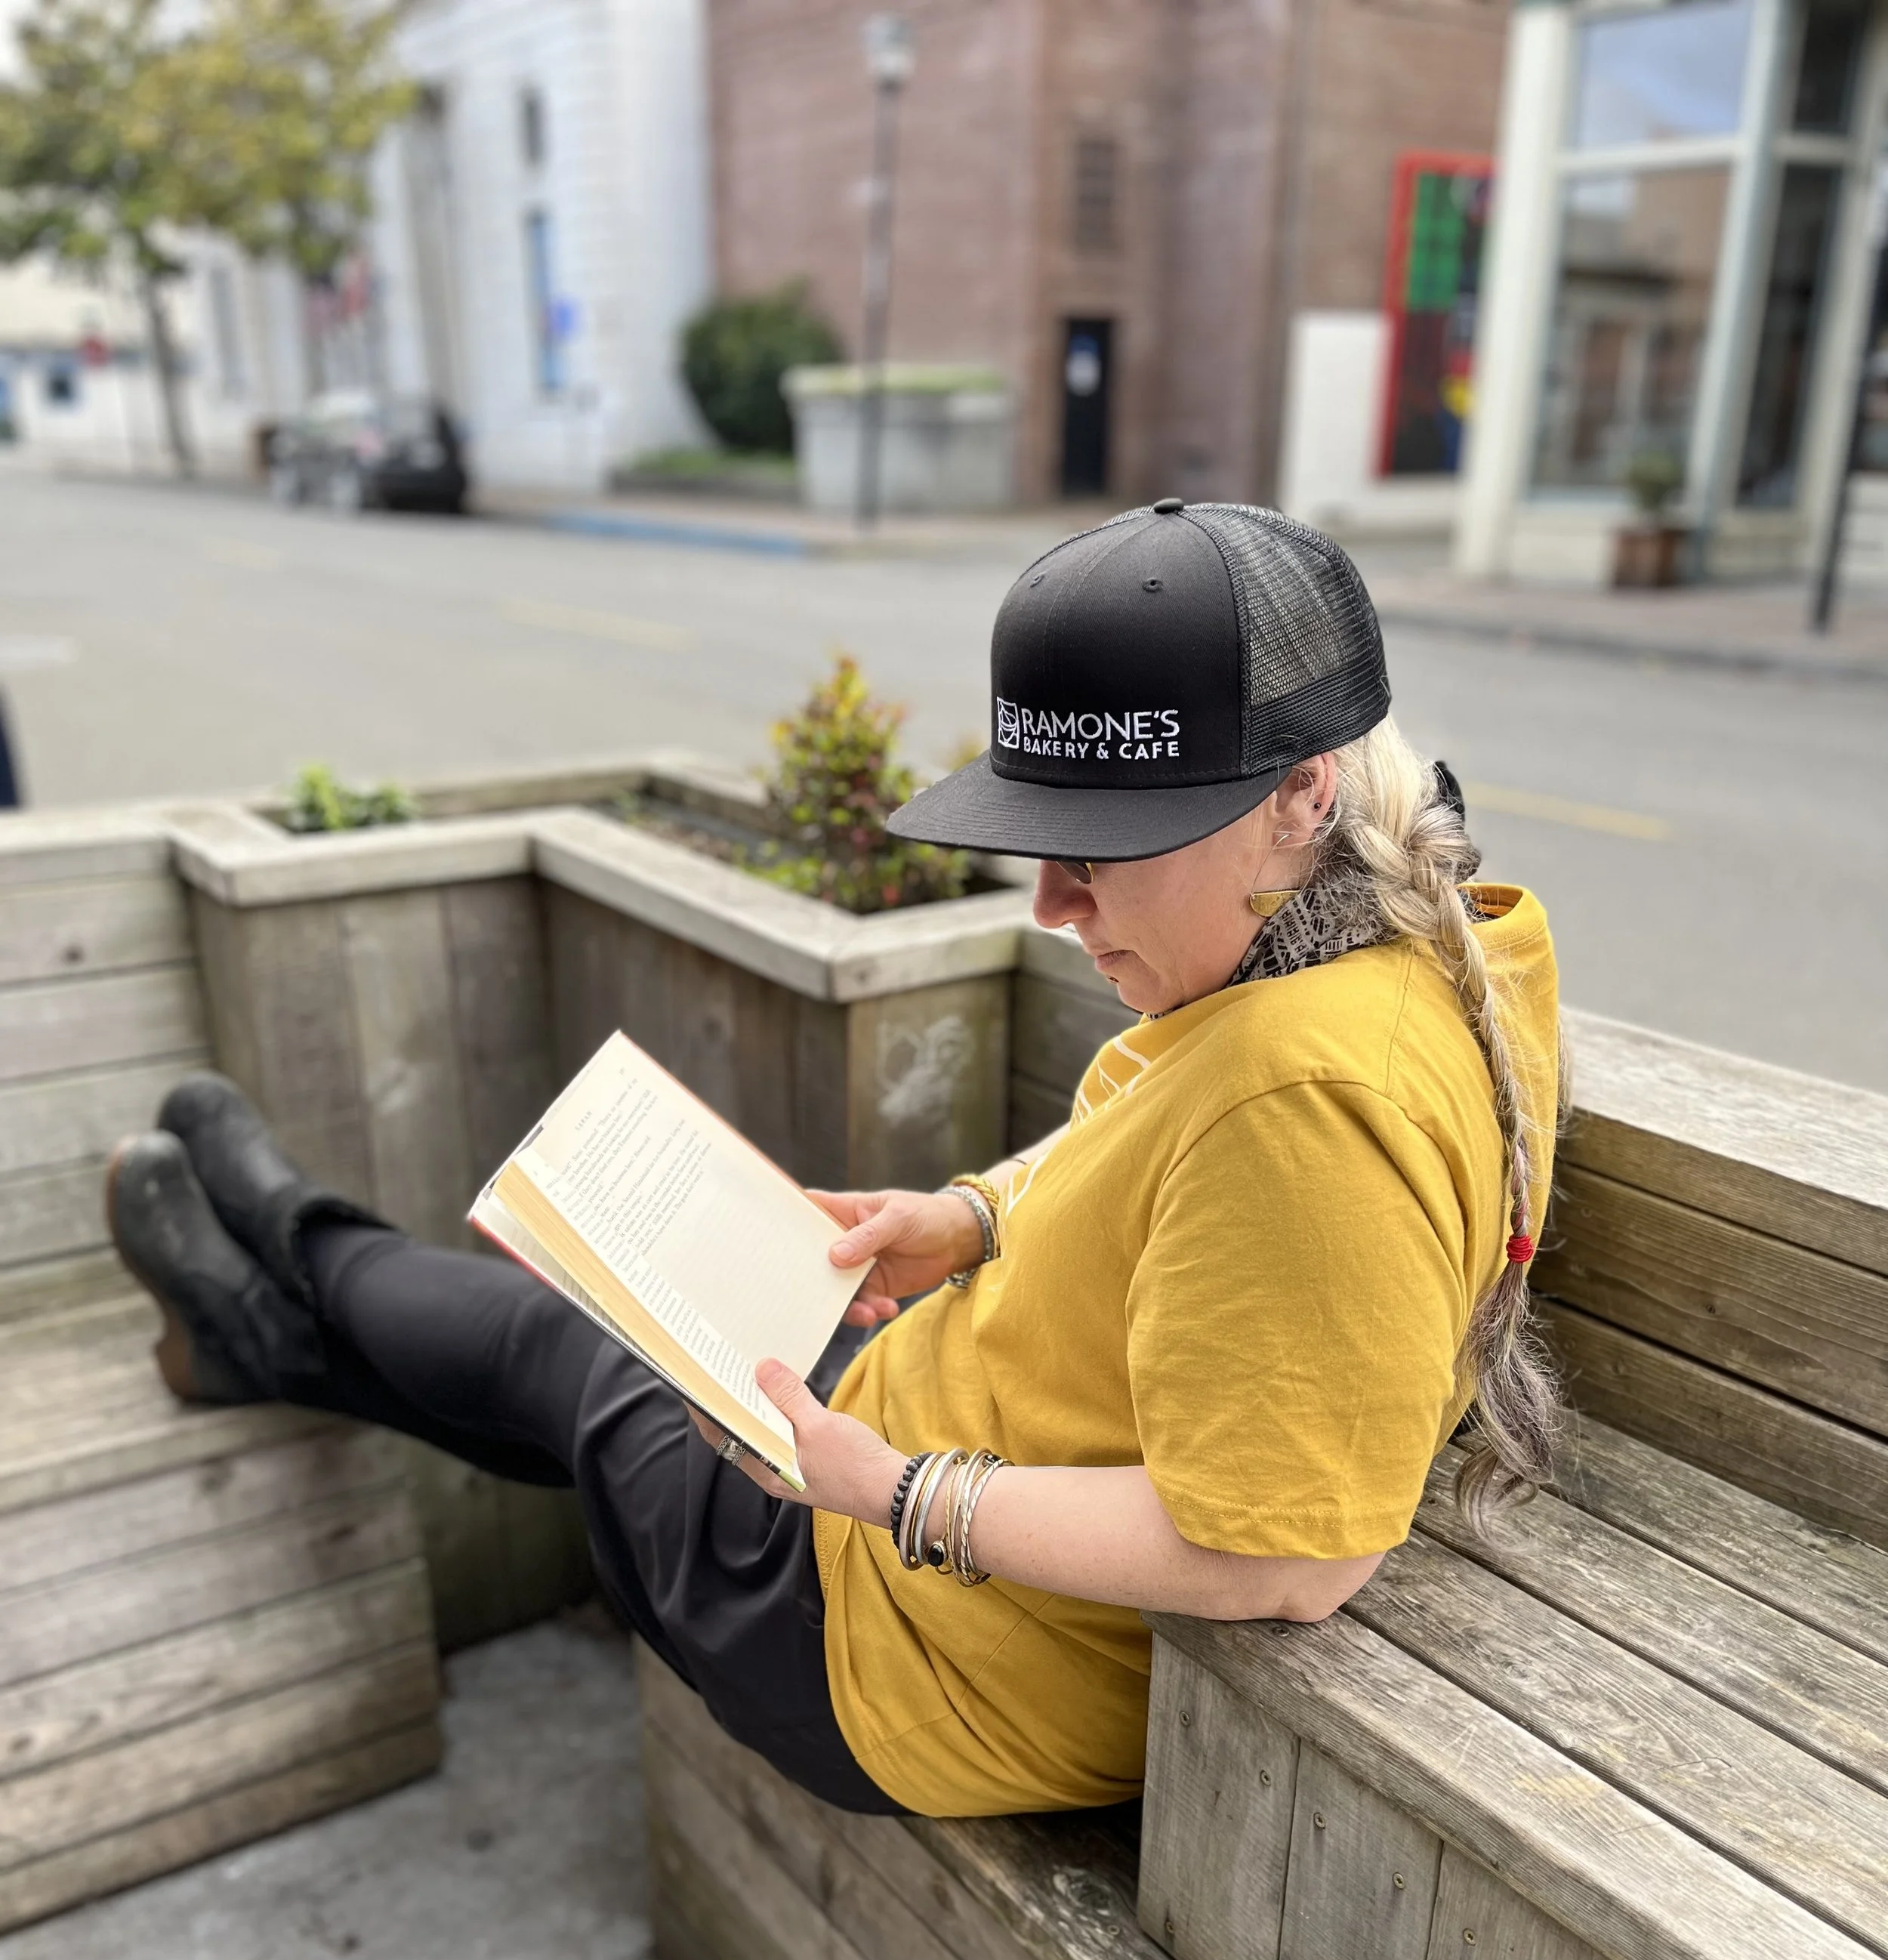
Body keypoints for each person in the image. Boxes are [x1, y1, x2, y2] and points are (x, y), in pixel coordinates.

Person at [107, 502, 1563, 1822]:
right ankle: (263, 1324)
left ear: (1301, 795)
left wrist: (895, 1491)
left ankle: (284, 1268)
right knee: (603, 1381)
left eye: (1101, 852)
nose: (1053, 904)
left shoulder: (1309, 1104)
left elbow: (1286, 1563)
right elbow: (1181, 1147)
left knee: (576, 1363)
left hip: (904, 1644)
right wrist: (979, 1214)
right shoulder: (1425, 928)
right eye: (1039, 843)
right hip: (925, 1488)